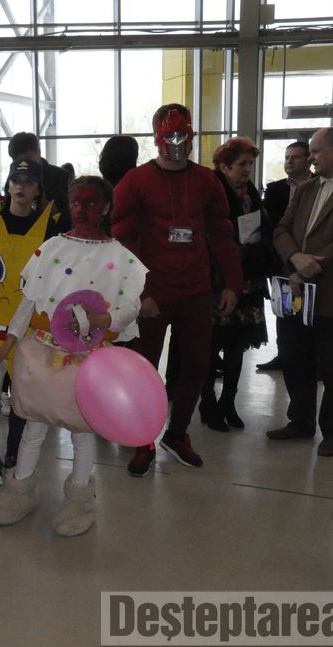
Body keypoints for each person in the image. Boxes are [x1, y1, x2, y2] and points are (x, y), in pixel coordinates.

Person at [0, 176, 146, 535]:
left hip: (89, 356)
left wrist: (105, 319)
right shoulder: (52, 247)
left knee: (82, 431)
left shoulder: (119, 256)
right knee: (34, 424)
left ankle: (79, 501)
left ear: (106, 207)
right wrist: (9, 341)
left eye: (90, 202)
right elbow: (29, 300)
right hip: (44, 350)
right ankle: (20, 490)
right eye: (75, 202)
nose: (81, 209)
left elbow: (131, 306)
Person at [112, 103, 241, 477]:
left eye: (183, 134)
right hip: (154, 291)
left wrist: (233, 283)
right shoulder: (135, 181)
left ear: (192, 135)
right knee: (145, 369)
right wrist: (140, 292)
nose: (177, 142)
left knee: (198, 364)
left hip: (196, 290)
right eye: (170, 135)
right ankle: (143, 439)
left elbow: (222, 233)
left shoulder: (207, 181)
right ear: (157, 137)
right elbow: (121, 240)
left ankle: (177, 433)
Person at [268, 127, 333, 457]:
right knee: (294, 357)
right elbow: (281, 229)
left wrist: (311, 264)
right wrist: (295, 258)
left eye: (315, 150)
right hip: (297, 290)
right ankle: (300, 421)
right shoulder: (307, 188)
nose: (310, 157)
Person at [0, 159, 60, 485]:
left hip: (30, 321)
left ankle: (13, 455)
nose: (20, 187)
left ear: (38, 189)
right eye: (16, 181)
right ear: (8, 185)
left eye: (28, 182)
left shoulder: (47, 228)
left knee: (22, 393)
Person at [198, 138, 274, 431]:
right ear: (223, 166)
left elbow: (264, 230)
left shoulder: (250, 193)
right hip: (216, 282)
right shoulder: (210, 194)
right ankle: (207, 402)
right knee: (210, 346)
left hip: (248, 280)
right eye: (242, 164)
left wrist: (254, 250)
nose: (248, 169)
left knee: (237, 346)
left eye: (250, 163)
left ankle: (228, 402)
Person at [259, 140, 312, 372]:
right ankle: (284, 356)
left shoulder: (319, 186)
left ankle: (313, 360)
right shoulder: (275, 189)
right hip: (281, 260)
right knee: (285, 310)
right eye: (287, 157)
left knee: (311, 311)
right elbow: (268, 224)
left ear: (308, 160)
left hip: (313, 259)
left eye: (295, 157)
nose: (289, 162)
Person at [8, 131, 72, 230]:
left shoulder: (62, 177)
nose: (25, 165)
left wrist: (56, 212)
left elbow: (73, 214)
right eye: (18, 162)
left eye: (28, 160)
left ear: (38, 152)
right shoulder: (13, 178)